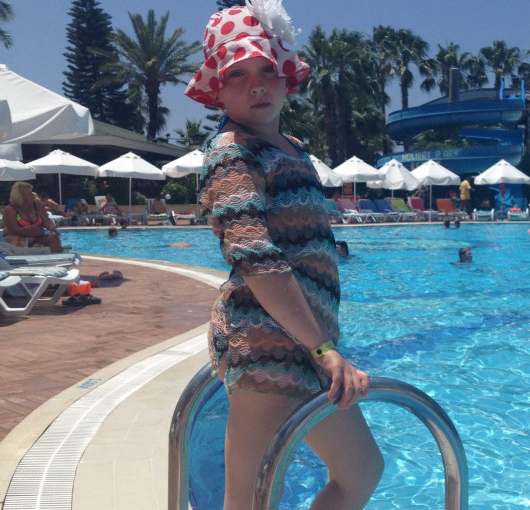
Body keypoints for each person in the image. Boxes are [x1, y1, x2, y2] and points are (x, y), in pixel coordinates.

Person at [184, 4, 383, 509]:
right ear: (217, 89)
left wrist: (321, 345)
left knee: (362, 472)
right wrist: (323, 349)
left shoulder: (293, 148)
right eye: (238, 74)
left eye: (267, 69)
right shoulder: (233, 153)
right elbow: (255, 258)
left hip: (306, 344)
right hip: (263, 345)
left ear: (286, 77)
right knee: (250, 498)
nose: (257, 85)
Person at [1, 181, 63, 252]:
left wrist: (51, 226)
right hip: (18, 239)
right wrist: (27, 229)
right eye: (29, 193)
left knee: (54, 238)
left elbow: (46, 221)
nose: (33, 195)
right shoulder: (10, 210)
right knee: (16, 239)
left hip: (37, 239)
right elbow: (13, 230)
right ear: (20, 196)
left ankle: (53, 256)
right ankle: (25, 254)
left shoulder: (37, 205)